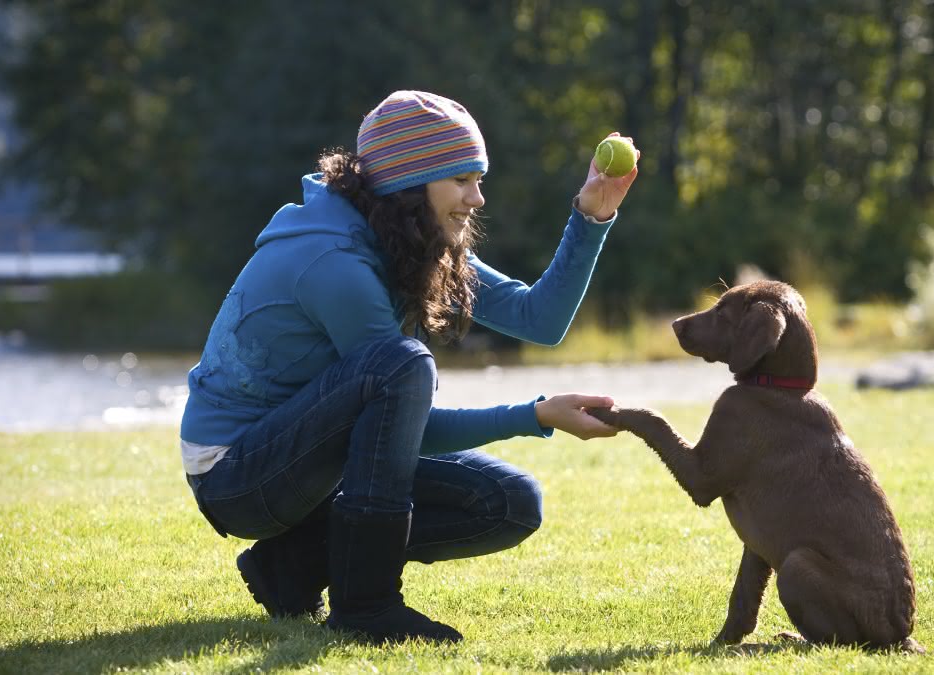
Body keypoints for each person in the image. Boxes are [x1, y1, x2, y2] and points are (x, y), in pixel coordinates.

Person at [179, 90, 639, 644]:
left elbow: (536, 319)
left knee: (509, 503)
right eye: (462, 180)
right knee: (401, 365)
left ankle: (292, 567)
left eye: (478, 178)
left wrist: (593, 214)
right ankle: (366, 607)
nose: (478, 198)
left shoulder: (407, 238)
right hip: (237, 474)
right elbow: (409, 421)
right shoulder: (335, 262)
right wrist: (534, 414)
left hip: (311, 463)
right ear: (409, 184)